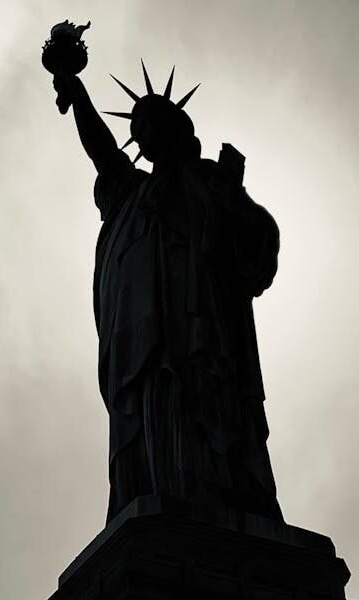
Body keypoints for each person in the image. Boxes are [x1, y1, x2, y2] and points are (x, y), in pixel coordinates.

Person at [52, 66, 284, 522]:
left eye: (155, 120)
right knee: (152, 422)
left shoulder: (211, 182)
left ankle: (219, 502)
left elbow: (257, 243)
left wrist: (233, 201)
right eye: (137, 129)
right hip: (142, 347)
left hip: (204, 337)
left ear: (180, 126)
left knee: (207, 415)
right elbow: (102, 150)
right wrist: (74, 89)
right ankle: (158, 499)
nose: (145, 132)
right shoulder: (130, 194)